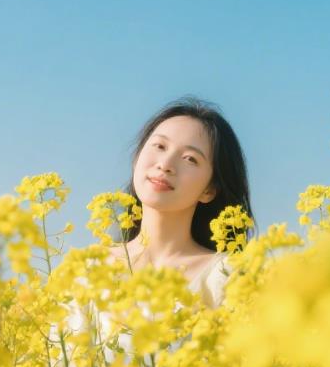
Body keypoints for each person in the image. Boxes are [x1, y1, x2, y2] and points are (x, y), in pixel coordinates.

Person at [107, 96, 255, 309]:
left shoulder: (225, 276)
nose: (165, 165)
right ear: (136, 157)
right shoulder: (91, 266)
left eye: (190, 159)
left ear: (209, 189)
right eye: (159, 146)